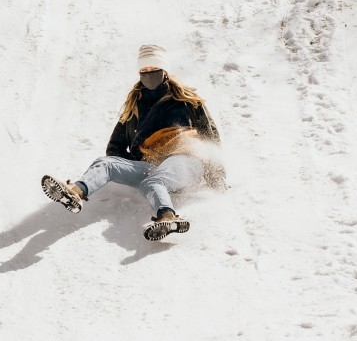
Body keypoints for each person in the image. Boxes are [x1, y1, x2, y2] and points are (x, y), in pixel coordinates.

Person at [41, 44, 226, 241]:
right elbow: (115, 147)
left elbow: (210, 135)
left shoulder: (186, 99)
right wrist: (135, 164)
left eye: (153, 69)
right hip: (151, 164)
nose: (149, 73)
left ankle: (168, 218)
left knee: (154, 181)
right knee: (106, 163)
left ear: (164, 70)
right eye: (144, 70)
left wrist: (217, 175)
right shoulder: (134, 106)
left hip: (184, 158)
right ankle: (74, 193)